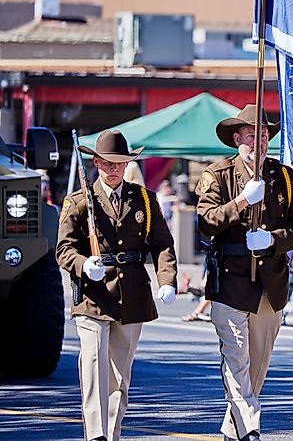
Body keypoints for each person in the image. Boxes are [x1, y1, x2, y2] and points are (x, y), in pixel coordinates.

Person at [196, 105, 293, 441]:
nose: (258, 142)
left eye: (263, 135)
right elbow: (206, 222)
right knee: (236, 360)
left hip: (269, 284)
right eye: (251, 135)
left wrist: (273, 240)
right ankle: (250, 428)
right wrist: (242, 203)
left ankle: (235, 430)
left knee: (257, 366)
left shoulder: (284, 177)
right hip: (230, 281)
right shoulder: (218, 175)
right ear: (237, 139)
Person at [56, 130, 177, 441]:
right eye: (107, 163)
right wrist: (84, 265)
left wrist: (167, 280)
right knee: (94, 368)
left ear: (127, 164)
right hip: (93, 296)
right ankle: (96, 434)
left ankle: (112, 434)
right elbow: (63, 249)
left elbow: (162, 244)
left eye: (120, 163)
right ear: (96, 162)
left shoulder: (145, 200)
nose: (114, 169)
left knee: (119, 376)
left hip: (131, 295)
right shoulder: (79, 201)